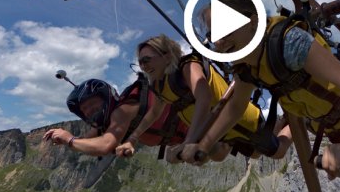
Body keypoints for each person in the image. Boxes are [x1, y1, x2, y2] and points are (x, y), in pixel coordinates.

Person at [193, 0, 340, 178]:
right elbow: (236, 107)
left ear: (253, 22)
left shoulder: (289, 43)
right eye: (213, 35)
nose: (219, 41)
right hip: (332, 128)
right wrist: (203, 146)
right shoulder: (247, 68)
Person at [115, 35, 292, 164]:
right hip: (221, 131)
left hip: (241, 118)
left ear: (167, 56)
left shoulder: (188, 66)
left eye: (147, 60)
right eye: (141, 63)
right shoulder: (160, 85)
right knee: (206, 156)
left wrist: (189, 141)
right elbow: (154, 113)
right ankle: (280, 122)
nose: (144, 66)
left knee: (277, 152)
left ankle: (293, 122)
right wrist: (132, 138)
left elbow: (204, 98)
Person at [43, 75, 190, 157]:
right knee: (172, 158)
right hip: (180, 139)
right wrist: (65, 138)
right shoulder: (107, 122)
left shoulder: (122, 112)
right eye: (84, 110)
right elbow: (85, 141)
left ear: (105, 97)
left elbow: (105, 146)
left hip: (193, 130)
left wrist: (69, 139)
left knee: (175, 158)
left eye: (91, 104)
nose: (88, 111)